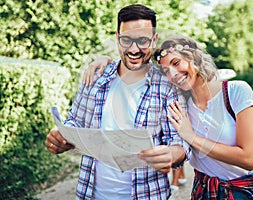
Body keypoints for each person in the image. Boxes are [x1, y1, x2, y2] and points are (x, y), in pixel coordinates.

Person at [83, 36, 253, 199]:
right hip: (204, 191)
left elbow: (248, 158)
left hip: (243, 191)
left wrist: (191, 137)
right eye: (165, 71)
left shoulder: (236, 91)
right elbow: (137, 72)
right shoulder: (179, 104)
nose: (172, 74)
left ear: (194, 59)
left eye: (176, 63)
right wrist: (107, 61)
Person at [45, 4, 189, 200]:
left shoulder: (168, 87)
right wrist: (60, 136)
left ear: (154, 40)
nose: (134, 49)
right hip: (91, 194)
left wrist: (172, 154)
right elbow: (75, 122)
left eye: (143, 41)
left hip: (147, 195)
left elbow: (180, 142)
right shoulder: (95, 76)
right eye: (126, 40)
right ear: (117, 37)